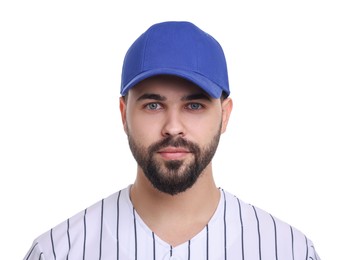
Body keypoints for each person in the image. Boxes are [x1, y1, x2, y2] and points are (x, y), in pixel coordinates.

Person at [24, 21, 320, 260]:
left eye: (194, 106)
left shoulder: (289, 250)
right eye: (153, 105)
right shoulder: (57, 251)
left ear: (225, 115)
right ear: (124, 113)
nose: (173, 127)